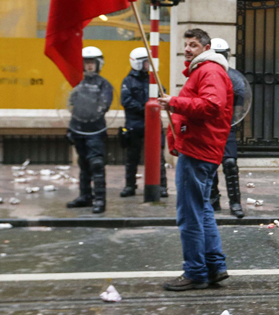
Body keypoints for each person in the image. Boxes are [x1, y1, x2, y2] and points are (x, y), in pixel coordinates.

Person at [159, 29, 234, 291]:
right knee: (202, 209)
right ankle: (214, 267)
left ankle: (195, 272)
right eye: (186, 44)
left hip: (198, 150)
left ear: (206, 48)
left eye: (193, 45)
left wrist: (174, 102)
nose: (188, 49)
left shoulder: (209, 70)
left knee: (190, 214)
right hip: (200, 148)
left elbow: (211, 106)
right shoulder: (205, 71)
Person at [65, 46, 113, 214]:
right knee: (83, 164)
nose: (89, 65)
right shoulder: (77, 83)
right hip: (78, 128)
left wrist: (88, 106)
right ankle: (85, 196)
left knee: (96, 163)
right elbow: (71, 105)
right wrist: (70, 129)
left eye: (92, 62)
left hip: (95, 129)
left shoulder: (104, 84)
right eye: (86, 62)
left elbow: (104, 106)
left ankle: (100, 199)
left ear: (98, 64)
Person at [119, 47, 168, 198]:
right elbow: (126, 101)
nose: (148, 65)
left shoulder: (153, 79)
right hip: (135, 125)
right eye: (146, 62)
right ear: (138, 63)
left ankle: (162, 186)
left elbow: (162, 94)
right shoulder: (128, 81)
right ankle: (130, 185)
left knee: (158, 157)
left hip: (153, 124)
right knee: (132, 158)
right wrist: (145, 109)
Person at [208, 38, 245, 218]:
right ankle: (213, 199)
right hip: (208, 125)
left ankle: (235, 202)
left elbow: (241, 99)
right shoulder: (204, 74)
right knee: (210, 164)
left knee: (230, 163)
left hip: (226, 124)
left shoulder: (233, 76)